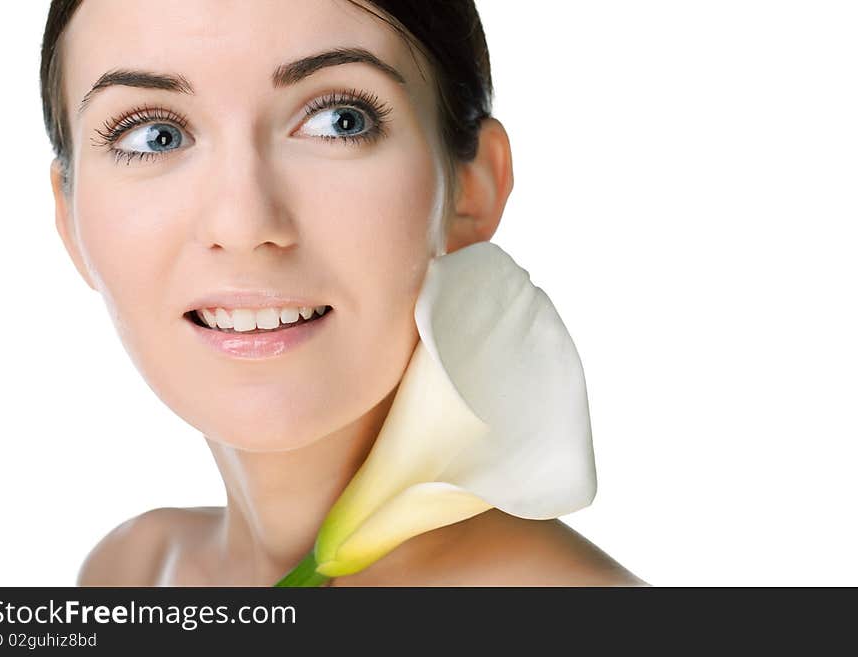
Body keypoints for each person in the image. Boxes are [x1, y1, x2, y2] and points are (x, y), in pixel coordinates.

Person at [41, 0, 647, 587]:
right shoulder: (130, 576)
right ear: (69, 220)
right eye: (155, 135)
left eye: (340, 120)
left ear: (473, 189)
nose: (244, 223)